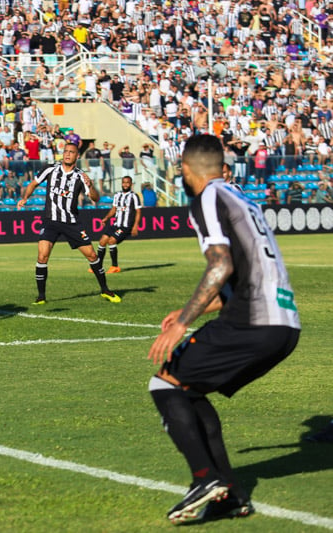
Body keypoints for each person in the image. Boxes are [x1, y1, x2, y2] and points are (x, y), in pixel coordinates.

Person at [147, 135, 301, 524]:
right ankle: (228, 495)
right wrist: (191, 309)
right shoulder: (241, 198)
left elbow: (221, 266)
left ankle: (204, 478)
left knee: (164, 383)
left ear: (185, 170)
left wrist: (182, 324)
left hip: (253, 320)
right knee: (189, 388)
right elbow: (245, 273)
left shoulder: (208, 199)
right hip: (284, 325)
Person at [16, 140, 121, 305]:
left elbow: (95, 198)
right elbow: (33, 184)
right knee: (42, 256)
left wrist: (91, 186)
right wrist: (24, 198)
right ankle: (41, 296)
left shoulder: (80, 176)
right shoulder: (51, 168)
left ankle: (105, 290)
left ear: (77, 156)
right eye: (65, 151)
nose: (67, 154)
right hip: (50, 220)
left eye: (71, 152)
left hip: (71, 222)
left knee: (92, 255)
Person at [94, 176, 142, 274]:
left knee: (112, 241)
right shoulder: (117, 195)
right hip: (116, 224)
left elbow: (138, 212)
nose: (125, 184)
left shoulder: (134, 196)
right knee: (102, 241)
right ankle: (98, 266)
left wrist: (135, 226)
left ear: (131, 184)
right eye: (124, 182)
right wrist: (106, 218)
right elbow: (114, 209)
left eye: (127, 182)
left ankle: (115, 266)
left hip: (125, 226)